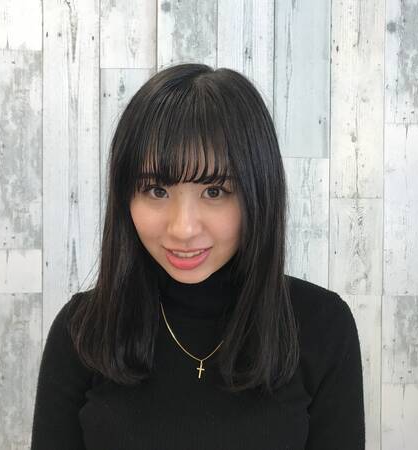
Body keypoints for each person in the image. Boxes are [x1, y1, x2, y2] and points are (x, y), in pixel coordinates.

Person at [30, 63, 365, 449]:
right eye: (156, 190)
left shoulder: (321, 327)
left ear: (259, 193)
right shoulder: (83, 330)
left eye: (214, 191)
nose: (183, 228)